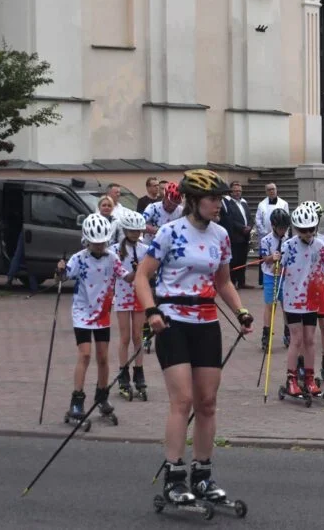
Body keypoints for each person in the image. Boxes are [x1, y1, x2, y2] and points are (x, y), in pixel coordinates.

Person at [134, 169, 254, 507]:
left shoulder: (221, 235)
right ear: (194, 200)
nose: (219, 205)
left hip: (206, 322)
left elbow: (224, 282)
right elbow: (142, 277)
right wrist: (152, 312)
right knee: (182, 399)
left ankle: (202, 475)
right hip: (172, 322)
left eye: (220, 199)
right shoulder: (170, 233)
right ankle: (174, 476)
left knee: (207, 402)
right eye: (213, 199)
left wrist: (241, 311)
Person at [57, 214, 127, 426]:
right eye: (95, 243)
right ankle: (77, 400)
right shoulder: (79, 258)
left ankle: (102, 397)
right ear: (86, 240)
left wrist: (145, 271)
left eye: (102, 242)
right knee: (85, 354)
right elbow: (63, 277)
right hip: (82, 312)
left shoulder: (112, 258)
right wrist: (59, 270)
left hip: (102, 312)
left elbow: (127, 276)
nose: (99, 246)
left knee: (103, 358)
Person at [279, 204, 324, 399]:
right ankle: (291, 379)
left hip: (311, 298)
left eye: (311, 229)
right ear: (296, 229)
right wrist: (273, 260)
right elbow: (278, 269)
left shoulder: (320, 245)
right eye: (303, 230)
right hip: (293, 299)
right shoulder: (288, 245)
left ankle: (310, 378)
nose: (307, 233)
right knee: (296, 339)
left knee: (310, 340)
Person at [113, 210, 150, 400]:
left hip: (139, 295)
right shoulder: (116, 250)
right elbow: (120, 274)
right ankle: (123, 374)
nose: (135, 234)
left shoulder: (145, 249)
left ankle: (139, 372)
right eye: (131, 230)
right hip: (122, 294)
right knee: (125, 337)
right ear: (125, 230)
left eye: (138, 230)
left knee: (138, 336)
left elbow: (150, 272)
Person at [259, 209, 291, 352]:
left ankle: (288, 332)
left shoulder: (288, 239)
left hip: (284, 276)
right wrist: (273, 258)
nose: (283, 230)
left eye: (285, 227)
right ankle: (266, 334)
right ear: (273, 226)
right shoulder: (265, 240)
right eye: (280, 227)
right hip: (270, 276)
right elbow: (265, 259)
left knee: (286, 305)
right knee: (270, 306)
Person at [254, 183, 289, 287]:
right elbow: (258, 219)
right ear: (266, 191)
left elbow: (286, 218)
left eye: (273, 189)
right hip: (267, 235)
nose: (272, 191)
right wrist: (265, 232)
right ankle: (264, 281)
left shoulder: (283, 203)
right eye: (269, 190)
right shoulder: (261, 204)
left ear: (276, 190)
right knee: (267, 259)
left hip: (281, 235)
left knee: (280, 257)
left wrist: (284, 234)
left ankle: (281, 277)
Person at [220, 182, 251, 289]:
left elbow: (249, 216)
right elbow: (230, 219)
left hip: (245, 236)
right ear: (231, 191)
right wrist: (242, 228)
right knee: (234, 260)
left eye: (239, 191)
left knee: (243, 260)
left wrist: (250, 226)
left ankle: (242, 282)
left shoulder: (244, 202)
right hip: (235, 236)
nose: (238, 193)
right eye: (236, 191)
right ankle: (232, 282)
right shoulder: (227, 203)